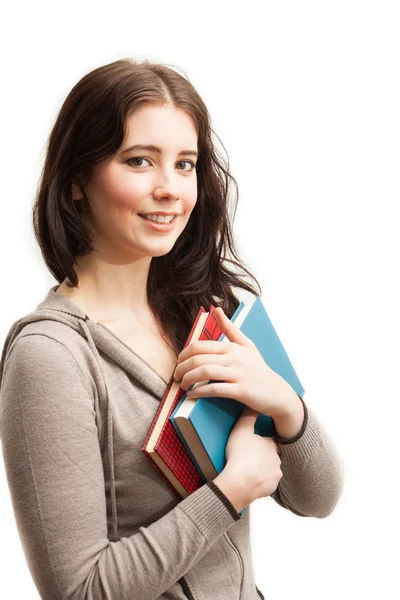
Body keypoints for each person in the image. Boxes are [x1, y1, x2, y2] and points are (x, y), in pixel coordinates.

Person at [0, 57, 344, 600]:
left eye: (185, 164)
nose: (171, 189)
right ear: (76, 184)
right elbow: (77, 591)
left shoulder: (205, 312)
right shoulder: (51, 355)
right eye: (139, 161)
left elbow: (319, 498)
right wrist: (228, 494)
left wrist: (286, 406)